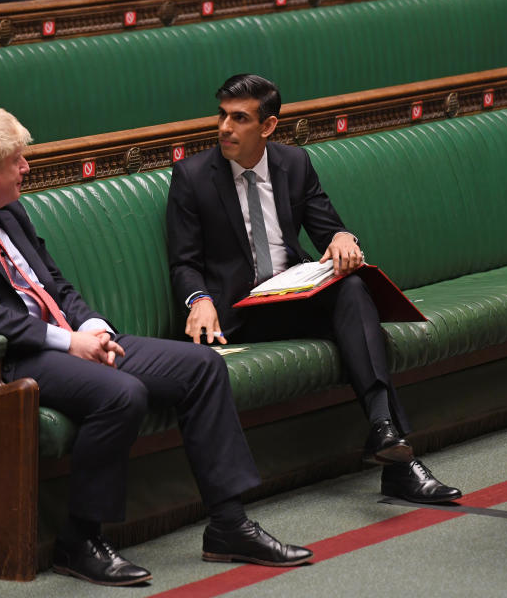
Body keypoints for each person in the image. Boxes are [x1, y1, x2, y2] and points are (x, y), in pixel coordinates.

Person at [0, 106, 312, 587]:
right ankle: (79, 541)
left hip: (65, 338)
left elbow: (54, 284)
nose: (26, 167)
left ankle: (229, 525)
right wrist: (69, 343)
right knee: (120, 392)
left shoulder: (6, 210)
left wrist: (94, 328)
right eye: (18, 160)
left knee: (202, 366)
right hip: (3, 358)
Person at [167, 74, 462, 505]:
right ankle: (399, 458)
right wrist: (199, 300)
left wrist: (344, 239)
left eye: (239, 118)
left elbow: (330, 228)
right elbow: (184, 262)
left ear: (267, 127)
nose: (225, 128)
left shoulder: (294, 164)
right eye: (222, 116)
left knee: (353, 288)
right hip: (237, 313)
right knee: (359, 318)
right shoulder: (192, 176)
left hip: (290, 298)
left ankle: (383, 430)